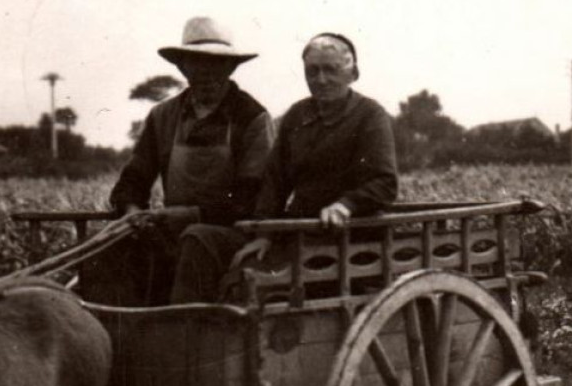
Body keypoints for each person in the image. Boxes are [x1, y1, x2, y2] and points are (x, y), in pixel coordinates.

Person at [175, 31, 399, 302]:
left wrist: (345, 205)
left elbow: (384, 183)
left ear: (354, 73)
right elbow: (274, 182)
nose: (321, 79)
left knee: (245, 279)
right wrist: (264, 234)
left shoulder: (370, 116)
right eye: (312, 71)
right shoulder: (297, 116)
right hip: (294, 235)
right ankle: (186, 330)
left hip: (345, 241)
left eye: (331, 70)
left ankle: (222, 337)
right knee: (199, 238)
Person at [83, 16, 274, 306]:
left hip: (230, 234)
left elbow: (251, 198)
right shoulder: (164, 116)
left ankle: (182, 334)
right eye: (197, 63)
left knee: (196, 239)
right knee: (108, 244)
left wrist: (188, 215)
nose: (206, 73)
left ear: (230, 67)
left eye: (216, 64)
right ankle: (114, 332)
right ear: (183, 67)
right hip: (174, 231)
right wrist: (132, 212)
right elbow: (133, 180)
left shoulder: (252, 118)